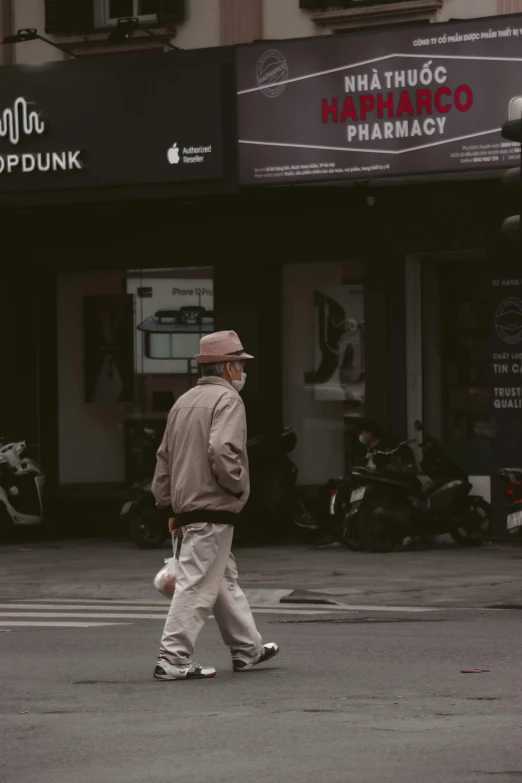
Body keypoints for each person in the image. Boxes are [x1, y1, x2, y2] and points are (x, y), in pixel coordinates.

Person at [151, 330, 279, 681]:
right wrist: (237, 487)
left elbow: (164, 457)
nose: (242, 371)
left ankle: (248, 648)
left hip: (190, 505)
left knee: (220, 578)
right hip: (213, 504)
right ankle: (172, 658)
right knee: (197, 583)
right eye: (239, 364)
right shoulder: (227, 401)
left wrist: (168, 504)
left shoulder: (184, 401)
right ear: (227, 367)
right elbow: (223, 449)